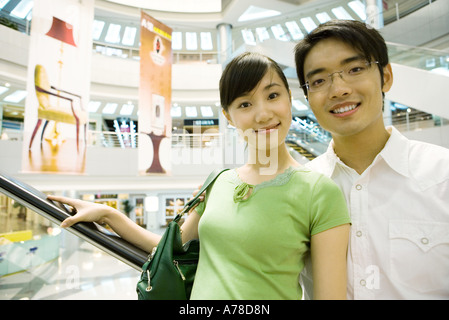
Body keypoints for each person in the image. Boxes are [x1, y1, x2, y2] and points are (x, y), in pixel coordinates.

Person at [49, 52, 351, 300]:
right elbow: (170, 247)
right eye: (245, 104)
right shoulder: (219, 181)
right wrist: (108, 215)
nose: (262, 114)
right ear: (229, 117)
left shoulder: (320, 192)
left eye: (272, 95)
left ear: (289, 99)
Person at [294, 19, 449, 299]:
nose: (338, 89)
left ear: (386, 76)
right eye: (318, 80)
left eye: (354, 69)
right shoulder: (298, 189)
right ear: (308, 97)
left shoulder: (443, 175)